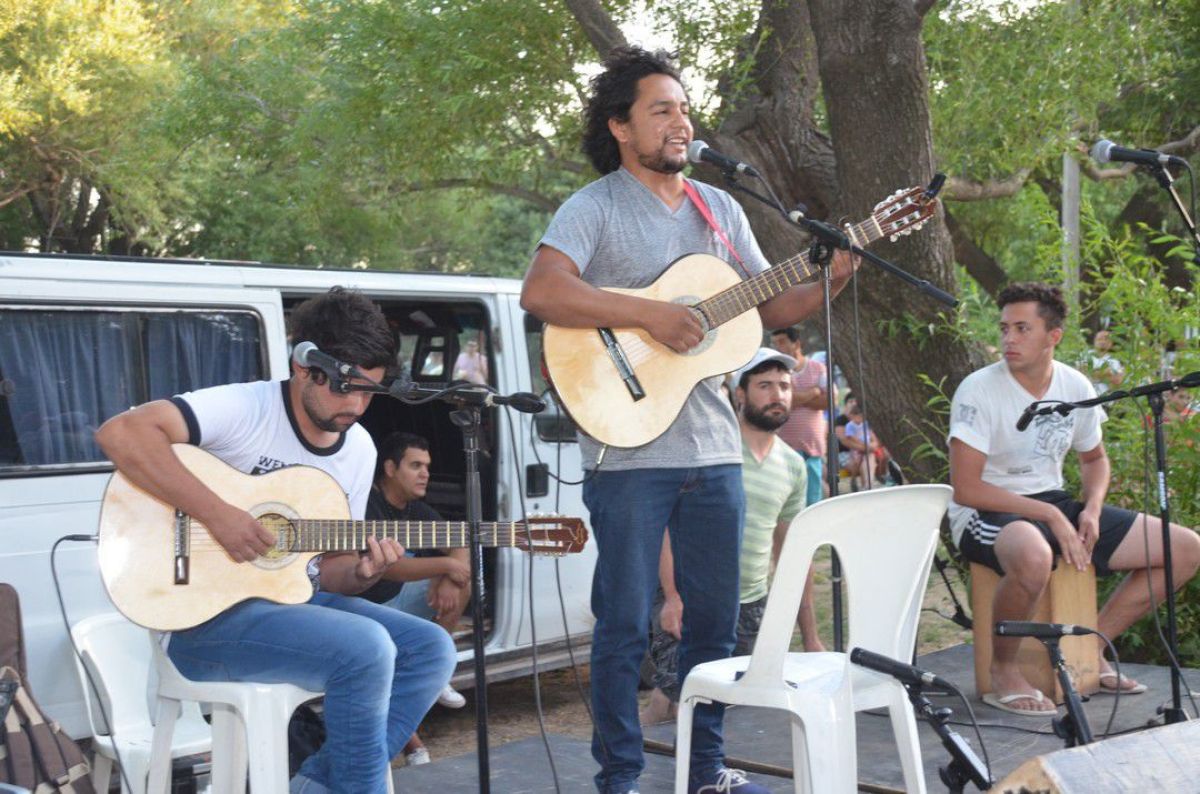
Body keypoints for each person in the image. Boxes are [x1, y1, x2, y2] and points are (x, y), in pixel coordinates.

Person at [520, 46, 858, 794]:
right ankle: (620, 778)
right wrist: (651, 314)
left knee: (712, 622)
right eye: (661, 109)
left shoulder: (721, 207)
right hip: (627, 448)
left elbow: (767, 311)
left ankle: (705, 770)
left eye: (684, 107)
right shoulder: (596, 206)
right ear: (620, 126)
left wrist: (833, 273)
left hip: (713, 448)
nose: (681, 122)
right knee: (625, 625)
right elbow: (542, 292)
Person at [95, 287, 457, 793]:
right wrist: (218, 515)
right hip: (202, 621)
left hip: (292, 602)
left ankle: (314, 785)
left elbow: (329, 571)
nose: (356, 405)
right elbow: (122, 434)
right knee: (368, 647)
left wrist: (362, 572)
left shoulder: (358, 449)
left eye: (369, 391)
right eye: (343, 387)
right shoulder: (246, 409)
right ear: (305, 367)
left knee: (432, 648)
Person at [947, 281, 1200, 716]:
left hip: (1053, 502)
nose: (1009, 338)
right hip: (985, 509)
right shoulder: (978, 389)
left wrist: (1094, 509)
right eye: (1005, 327)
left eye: (1022, 328)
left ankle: (1086, 647)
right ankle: (1004, 670)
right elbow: (966, 488)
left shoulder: (1074, 384)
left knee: (1184, 548)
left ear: (1053, 336)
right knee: (1033, 552)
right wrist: (1050, 514)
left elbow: (1095, 460)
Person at [640, 348, 825, 726]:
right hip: (691, 596)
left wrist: (810, 635)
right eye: (765, 386)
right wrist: (672, 597)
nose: (778, 395)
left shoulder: (793, 465)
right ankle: (634, 773)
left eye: (785, 386)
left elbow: (793, 553)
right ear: (739, 394)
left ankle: (699, 777)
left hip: (750, 605)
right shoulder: (709, 451)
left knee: (722, 710)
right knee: (677, 705)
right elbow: (666, 527)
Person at [358, 431, 470, 766]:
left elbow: (459, 542)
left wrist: (450, 576)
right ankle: (414, 747)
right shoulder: (366, 504)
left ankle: (438, 670)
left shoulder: (416, 508)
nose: (425, 474)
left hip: (395, 605)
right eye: (415, 465)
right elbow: (387, 569)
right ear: (390, 468)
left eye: (427, 466)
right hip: (361, 609)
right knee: (385, 665)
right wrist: (445, 565)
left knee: (462, 584)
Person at [769, 326, 830, 506]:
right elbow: (781, 402)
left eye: (782, 342)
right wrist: (813, 392)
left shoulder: (818, 368)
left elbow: (829, 402)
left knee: (813, 499)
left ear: (797, 344)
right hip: (784, 445)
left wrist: (796, 398)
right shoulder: (778, 371)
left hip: (812, 445)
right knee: (787, 500)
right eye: (775, 344)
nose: (778, 347)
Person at [1088, 329, 1124, 395]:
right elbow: (1081, 373)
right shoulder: (1085, 355)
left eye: (1106, 339)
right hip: (1086, 396)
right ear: (1094, 341)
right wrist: (1108, 374)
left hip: (1105, 399)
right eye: (1100, 339)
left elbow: (1117, 382)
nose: (1103, 342)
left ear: (1111, 343)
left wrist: (1094, 373)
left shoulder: (1114, 360)